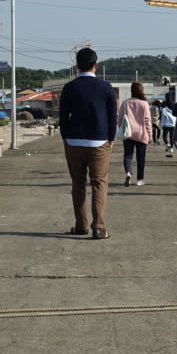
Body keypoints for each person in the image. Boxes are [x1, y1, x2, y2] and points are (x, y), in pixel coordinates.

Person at [58, 46, 117, 239]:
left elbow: (63, 116)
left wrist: (65, 137)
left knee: (78, 183)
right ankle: (98, 227)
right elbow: (112, 116)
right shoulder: (106, 87)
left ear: (77, 66)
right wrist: (111, 138)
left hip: (74, 140)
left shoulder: (69, 87)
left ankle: (81, 225)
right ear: (95, 65)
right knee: (99, 183)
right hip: (100, 141)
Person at [117, 81, 154, 186]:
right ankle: (139, 179)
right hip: (141, 134)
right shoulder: (144, 103)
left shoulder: (126, 102)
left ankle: (128, 172)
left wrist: (121, 128)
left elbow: (119, 118)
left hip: (128, 133)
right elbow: (147, 121)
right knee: (140, 158)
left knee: (128, 155)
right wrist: (150, 135)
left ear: (132, 91)